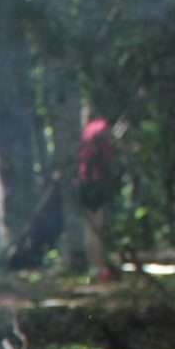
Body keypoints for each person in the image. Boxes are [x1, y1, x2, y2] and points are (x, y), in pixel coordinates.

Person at [75, 116, 118, 282]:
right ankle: (99, 268)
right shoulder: (102, 128)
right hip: (94, 184)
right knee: (97, 227)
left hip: (84, 183)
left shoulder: (88, 132)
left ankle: (96, 267)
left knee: (91, 228)